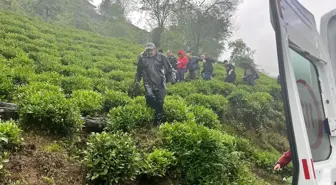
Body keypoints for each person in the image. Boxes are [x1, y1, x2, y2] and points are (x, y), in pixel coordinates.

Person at [135, 42, 175, 125]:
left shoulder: (161, 57)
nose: (150, 52)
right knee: (149, 97)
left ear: (155, 49)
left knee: (160, 102)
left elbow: (169, 68)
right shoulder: (142, 58)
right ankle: (149, 118)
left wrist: (172, 78)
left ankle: (158, 122)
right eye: (148, 50)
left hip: (160, 83)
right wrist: (137, 81)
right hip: (148, 83)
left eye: (151, 50)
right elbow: (138, 71)